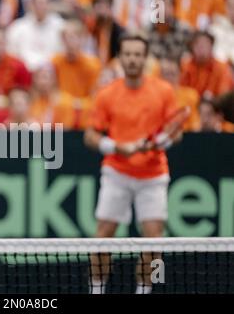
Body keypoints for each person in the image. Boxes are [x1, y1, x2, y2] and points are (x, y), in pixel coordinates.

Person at [84, 33, 180, 294]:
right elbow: (91, 135)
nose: (133, 59)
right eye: (128, 54)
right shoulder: (107, 94)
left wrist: (161, 142)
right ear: (121, 58)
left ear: (145, 58)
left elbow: (175, 131)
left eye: (138, 55)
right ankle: (96, 290)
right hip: (116, 173)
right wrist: (116, 147)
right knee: (102, 238)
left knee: (153, 242)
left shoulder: (163, 91)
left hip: (153, 176)